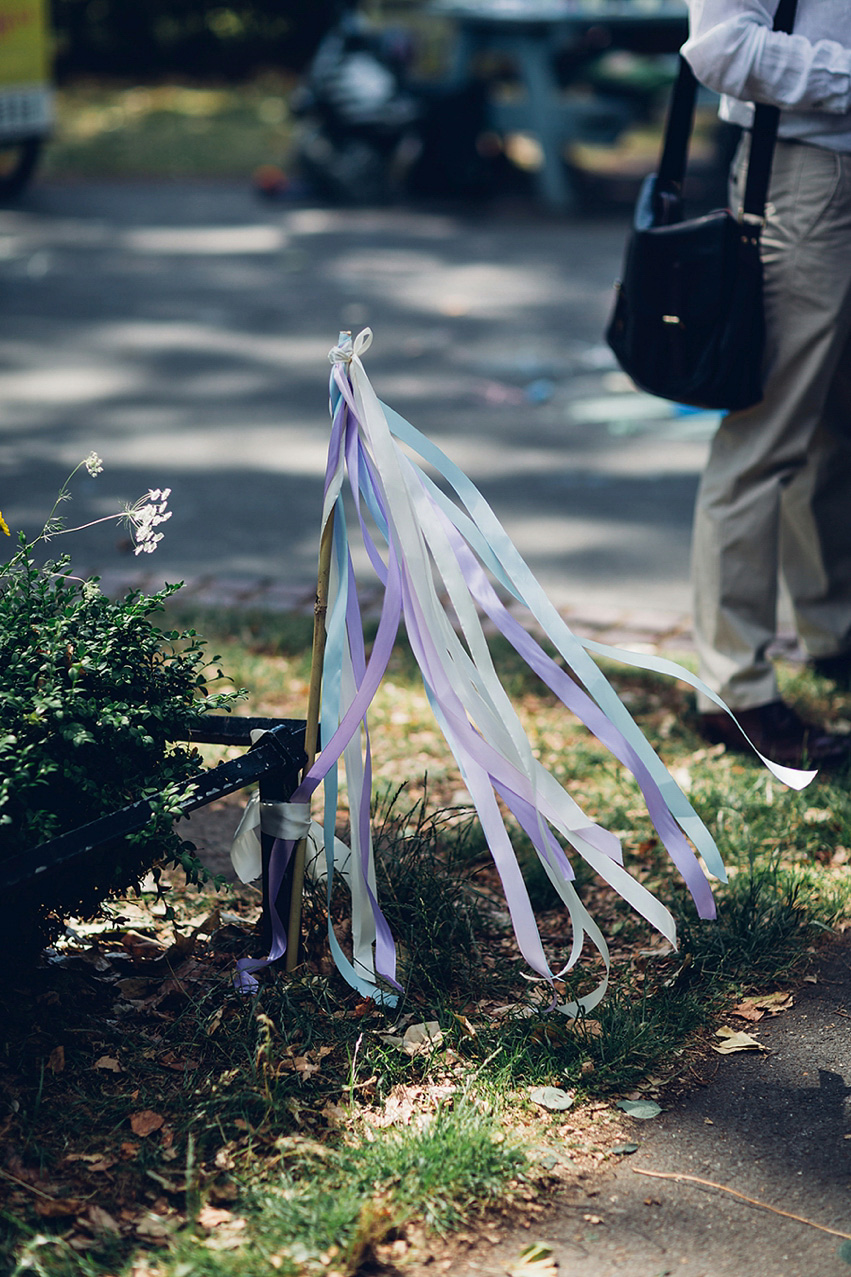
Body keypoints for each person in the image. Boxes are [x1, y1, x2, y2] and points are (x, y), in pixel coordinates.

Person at [681, 0, 851, 767]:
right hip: (805, 177)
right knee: (765, 435)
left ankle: (833, 635)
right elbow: (719, 46)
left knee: (834, 426)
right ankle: (734, 692)